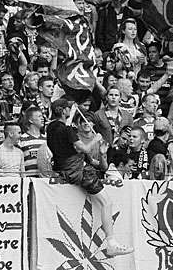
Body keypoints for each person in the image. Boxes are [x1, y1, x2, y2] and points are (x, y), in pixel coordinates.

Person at [46, 98, 133, 256]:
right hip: (79, 171)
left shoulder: (51, 127)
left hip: (64, 169)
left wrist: (101, 155)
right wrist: (96, 139)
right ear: (63, 110)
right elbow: (85, 148)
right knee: (107, 202)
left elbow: (88, 158)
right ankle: (111, 243)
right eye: (68, 108)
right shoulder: (68, 130)